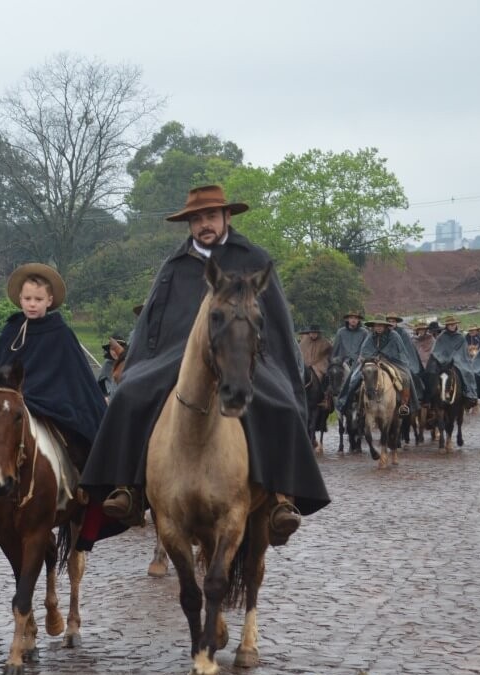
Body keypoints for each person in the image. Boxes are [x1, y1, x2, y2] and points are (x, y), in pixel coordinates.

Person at [78, 185, 329, 547]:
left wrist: (268, 360)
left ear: (227, 217)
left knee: (282, 404)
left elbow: (276, 322)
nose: (204, 224)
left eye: (210, 216)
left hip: (246, 354)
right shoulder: (174, 265)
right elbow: (152, 320)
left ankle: (279, 496)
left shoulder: (253, 258)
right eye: (196, 219)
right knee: (128, 395)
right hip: (176, 355)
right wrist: (139, 361)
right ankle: (129, 487)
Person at [0, 263, 107, 531]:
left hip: (52, 403)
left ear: (49, 300)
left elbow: (73, 378)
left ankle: (84, 489)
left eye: (38, 299)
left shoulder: (61, 334)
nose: (32, 304)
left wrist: (40, 398)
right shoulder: (11, 331)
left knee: (80, 433)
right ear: (20, 300)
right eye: (27, 299)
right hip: (12, 402)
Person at [337, 317, 419, 417]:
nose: (379, 327)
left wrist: (398, 360)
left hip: (392, 361)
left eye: (381, 325)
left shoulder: (394, 335)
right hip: (372, 361)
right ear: (374, 327)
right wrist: (367, 358)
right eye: (376, 325)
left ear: (385, 326)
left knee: (406, 378)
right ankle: (349, 404)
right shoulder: (370, 336)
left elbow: (401, 351)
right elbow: (365, 351)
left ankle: (404, 405)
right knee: (354, 377)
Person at [427, 315, 479, 405]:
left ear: (456, 325)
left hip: (458, 361)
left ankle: (468, 395)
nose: (452, 326)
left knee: (467, 372)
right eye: (450, 324)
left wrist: (455, 358)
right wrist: (441, 358)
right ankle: (429, 396)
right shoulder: (441, 337)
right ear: (447, 326)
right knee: (430, 372)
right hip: (442, 361)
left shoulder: (460, 337)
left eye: (453, 324)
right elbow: (436, 351)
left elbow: (463, 352)